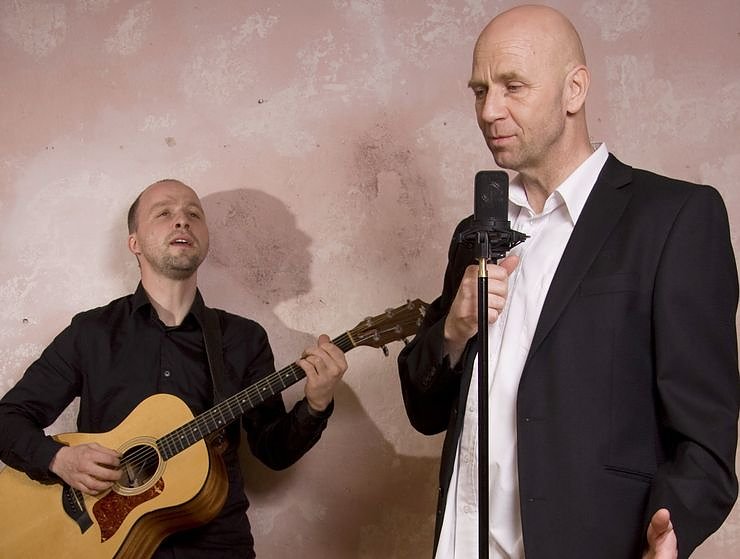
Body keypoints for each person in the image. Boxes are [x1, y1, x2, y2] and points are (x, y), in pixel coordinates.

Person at [398, 5, 739, 559]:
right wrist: (454, 332)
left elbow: (707, 432)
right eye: (480, 91)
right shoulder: (475, 232)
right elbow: (425, 411)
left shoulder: (674, 218)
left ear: (574, 90)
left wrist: (674, 524)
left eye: (513, 87)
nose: (489, 110)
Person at [0, 178, 348, 558]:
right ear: (134, 243)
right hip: (106, 546)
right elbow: (7, 419)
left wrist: (316, 405)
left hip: (216, 545)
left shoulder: (243, 338)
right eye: (164, 213)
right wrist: (58, 458)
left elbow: (272, 452)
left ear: (205, 238)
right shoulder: (92, 332)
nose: (182, 221)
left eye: (193, 214)